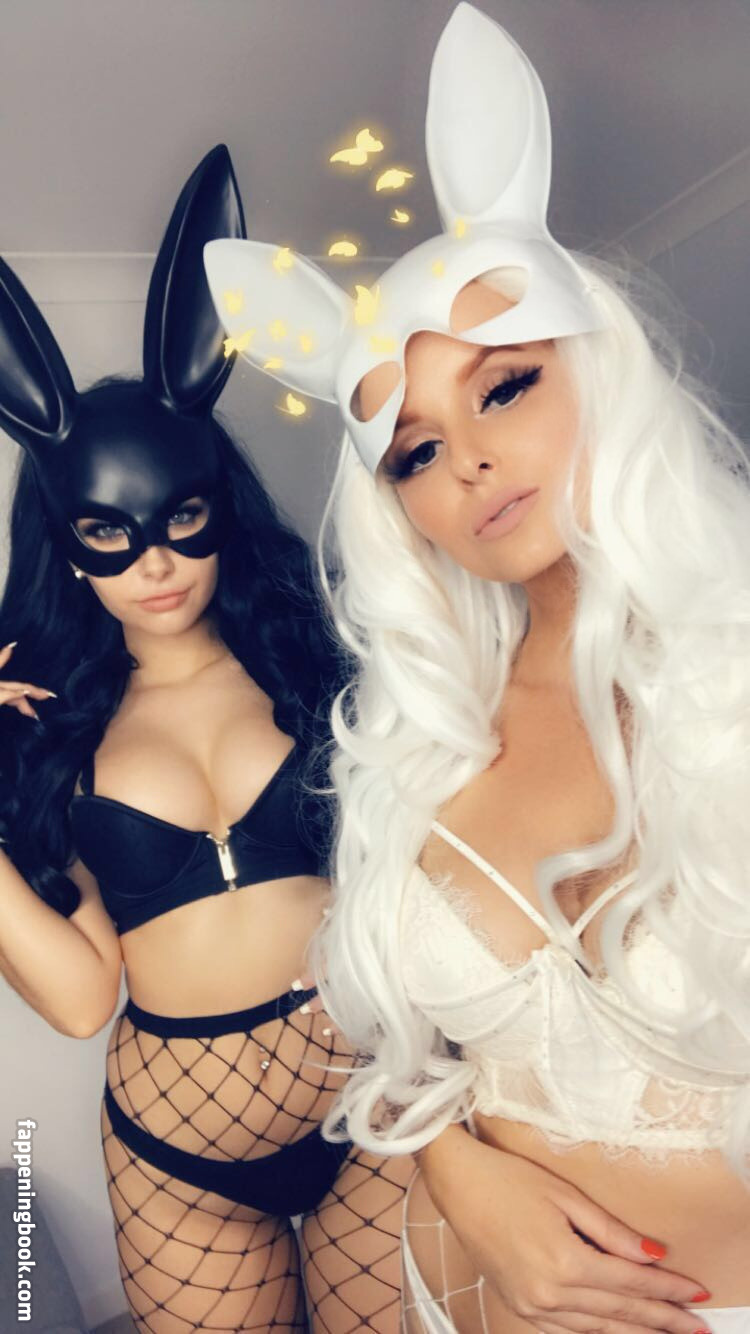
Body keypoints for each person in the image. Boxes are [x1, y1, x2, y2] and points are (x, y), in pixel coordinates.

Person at [203, 6, 750, 1332]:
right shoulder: (423, 732)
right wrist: (456, 1168)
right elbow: (420, 1047)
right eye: (413, 450)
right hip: (455, 1286)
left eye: (504, 388)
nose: (468, 460)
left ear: (597, 366)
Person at [0, 144, 412, 1334]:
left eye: (182, 517)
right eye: (110, 534)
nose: (157, 562)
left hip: (374, 1105)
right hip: (181, 1157)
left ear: (218, 505)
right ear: (67, 546)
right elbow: (82, 999)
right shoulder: (54, 734)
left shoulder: (318, 658)